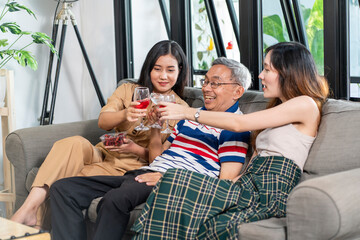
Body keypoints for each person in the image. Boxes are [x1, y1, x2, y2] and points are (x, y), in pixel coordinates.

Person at [131, 41, 330, 239]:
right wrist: (224, 187)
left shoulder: (306, 104)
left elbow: (238, 123)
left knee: (177, 181)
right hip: (248, 184)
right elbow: (252, 168)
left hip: (270, 190)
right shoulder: (276, 111)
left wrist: (187, 112)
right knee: (174, 179)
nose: (260, 75)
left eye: (267, 69)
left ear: (288, 72)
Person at [49, 57, 252, 240]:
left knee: (114, 200)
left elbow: (224, 183)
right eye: (205, 81)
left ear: (238, 91)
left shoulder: (235, 126)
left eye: (215, 83)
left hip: (173, 182)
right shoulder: (190, 116)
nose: (206, 88)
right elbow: (157, 159)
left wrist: (169, 180)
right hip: (145, 173)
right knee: (63, 189)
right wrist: (156, 126)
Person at [10, 40, 189, 228]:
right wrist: (125, 113)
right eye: (157, 69)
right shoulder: (129, 90)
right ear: (149, 69)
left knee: (63, 179)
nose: (163, 76)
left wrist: (135, 148)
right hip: (104, 152)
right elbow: (103, 122)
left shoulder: (181, 110)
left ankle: (33, 219)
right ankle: (27, 210)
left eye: (170, 70)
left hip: (129, 166)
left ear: (180, 71)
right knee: (73, 143)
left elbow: (163, 161)